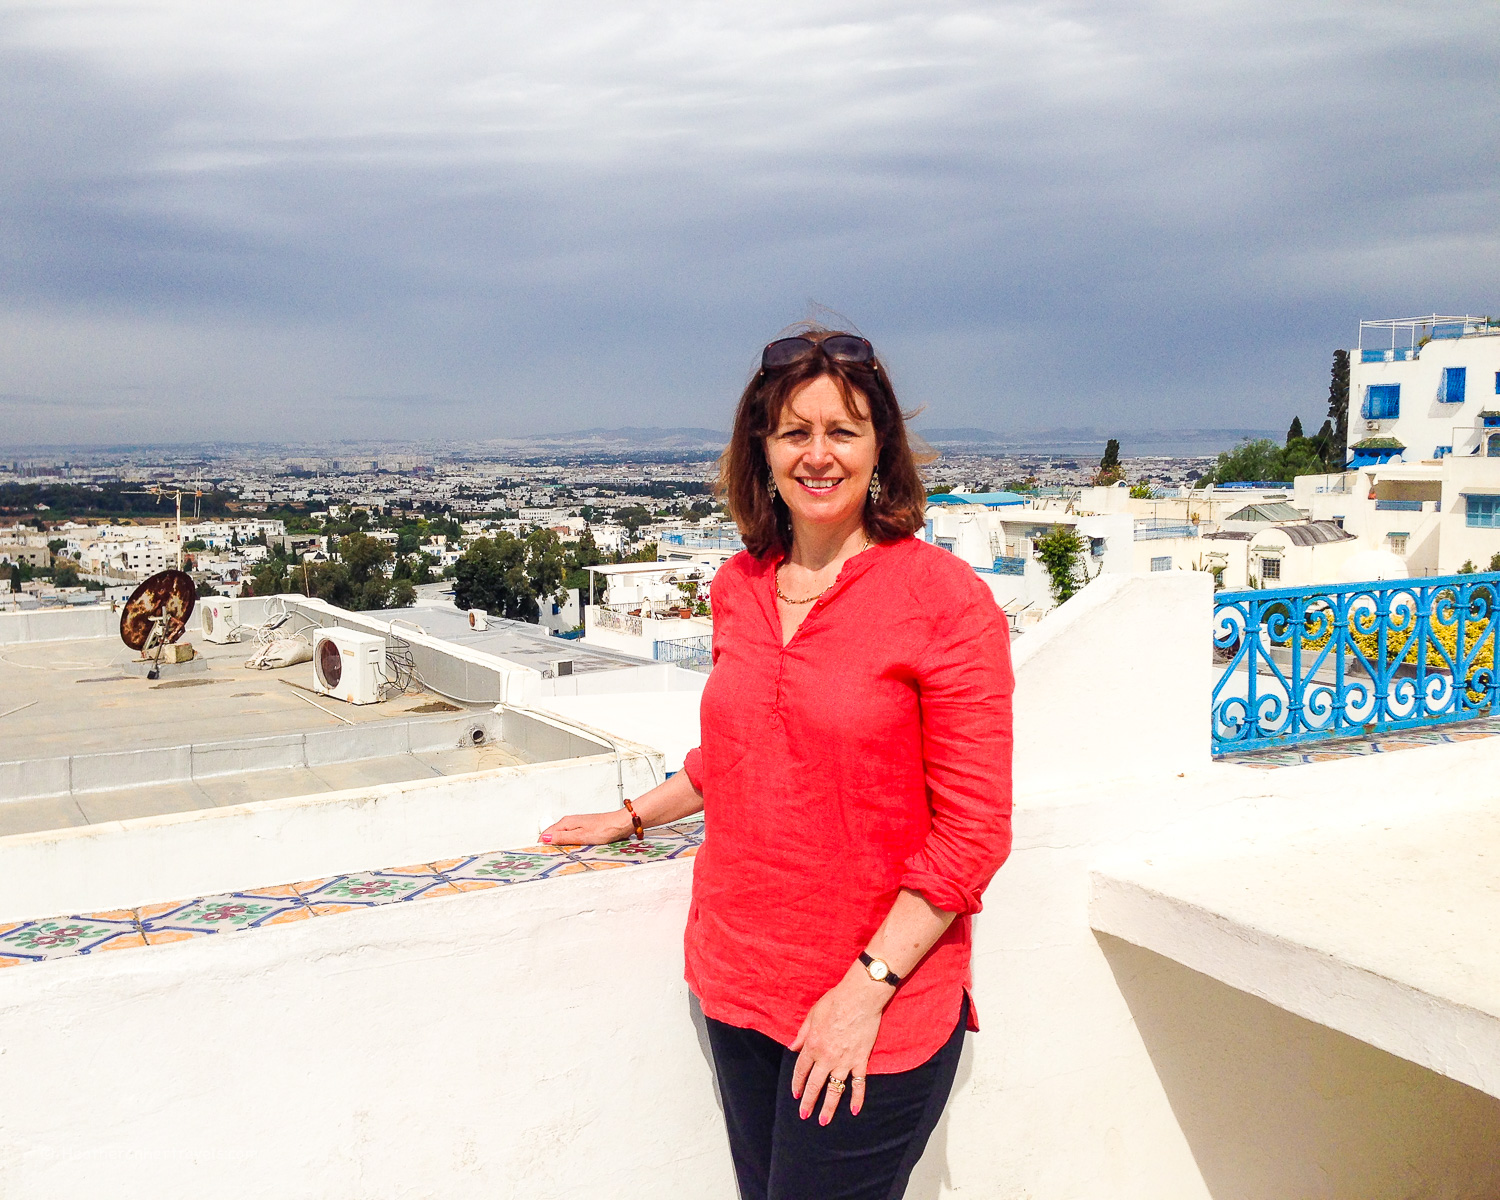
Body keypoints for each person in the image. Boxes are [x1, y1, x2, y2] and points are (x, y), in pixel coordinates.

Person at [541, 328, 1014, 1200]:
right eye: (795, 433)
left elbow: (975, 833)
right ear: (761, 451)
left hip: (875, 1004)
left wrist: (863, 991)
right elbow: (736, 755)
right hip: (740, 981)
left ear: (882, 450)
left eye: (845, 430)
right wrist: (632, 816)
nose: (819, 455)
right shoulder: (740, 588)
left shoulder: (944, 603)